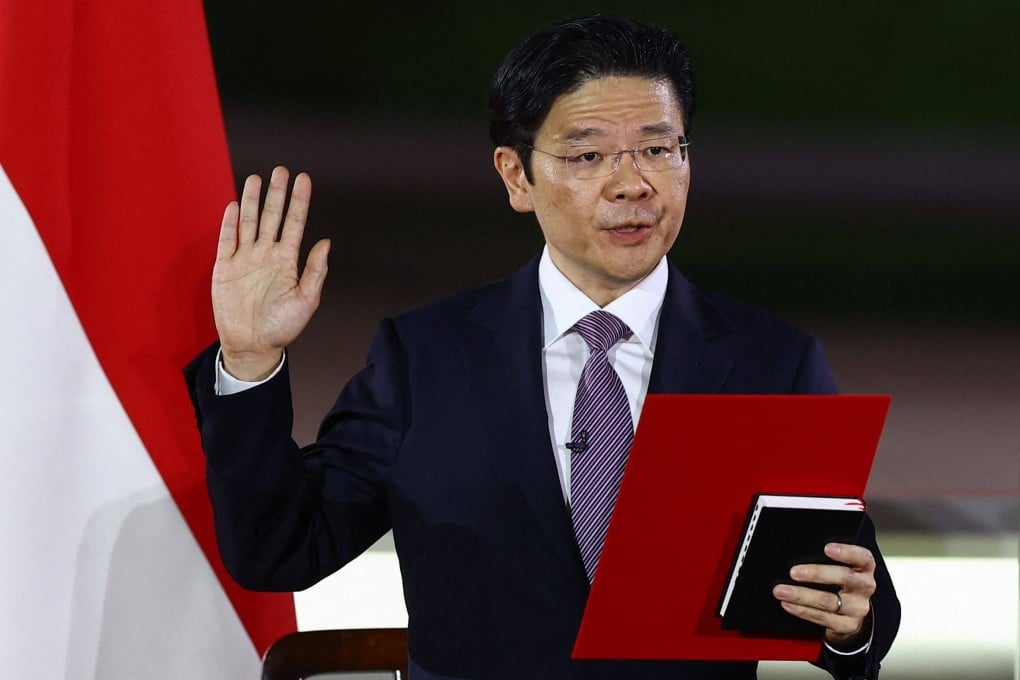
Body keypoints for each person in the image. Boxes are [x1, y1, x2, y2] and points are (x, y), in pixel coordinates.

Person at [185, 14, 899, 680]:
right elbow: (279, 546)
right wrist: (249, 364)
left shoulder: (772, 361)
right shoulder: (425, 357)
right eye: (588, 154)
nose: (632, 184)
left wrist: (849, 624)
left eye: (658, 147)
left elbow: (854, 610)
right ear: (517, 176)